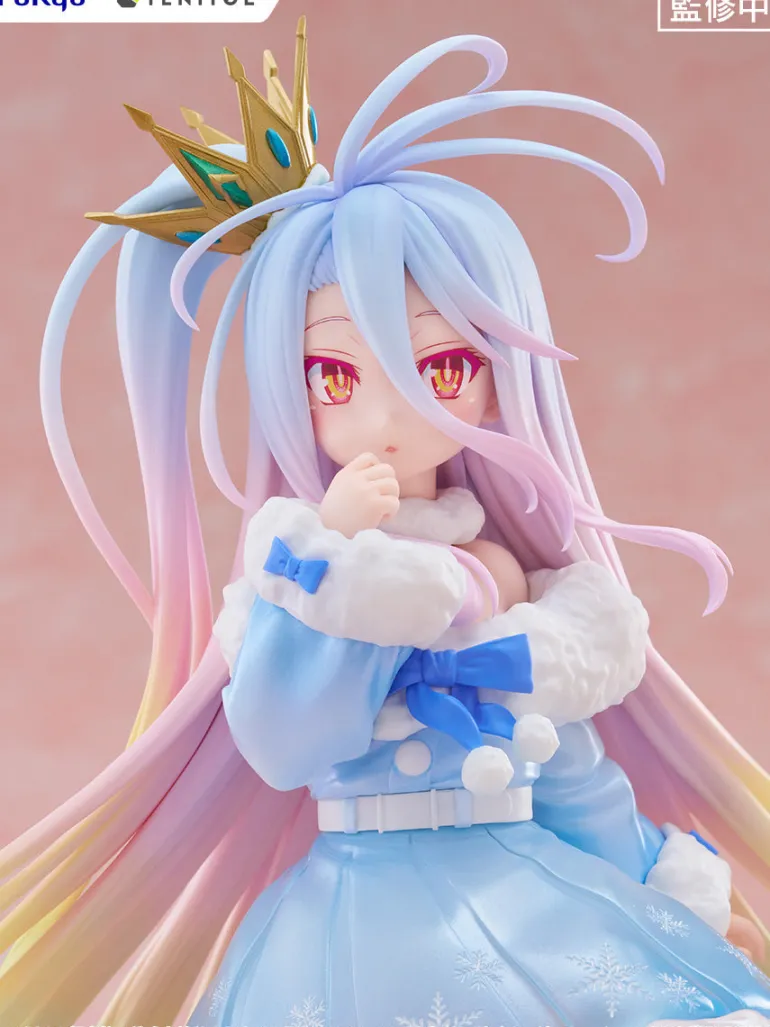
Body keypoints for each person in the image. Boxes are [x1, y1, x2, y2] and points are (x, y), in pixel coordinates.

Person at [1, 18, 769, 1027]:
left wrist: (669, 892)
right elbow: (281, 739)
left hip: (526, 893)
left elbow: (572, 769)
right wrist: (339, 562)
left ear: (498, 376)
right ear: (289, 388)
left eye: (440, 366)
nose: (388, 413)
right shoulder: (301, 575)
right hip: (351, 912)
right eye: (335, 375)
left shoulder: (511, 587)